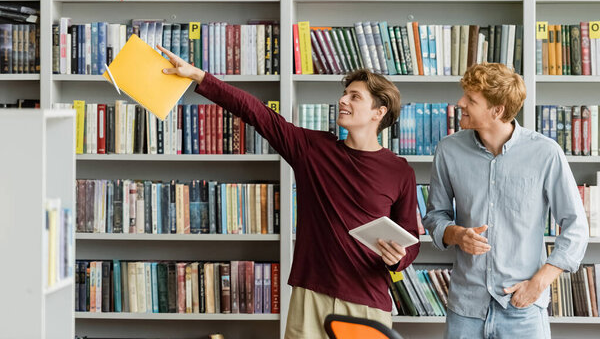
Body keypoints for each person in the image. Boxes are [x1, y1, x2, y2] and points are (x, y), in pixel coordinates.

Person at [157, 44, 420, 338]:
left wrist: (398, 257)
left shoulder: (400, 171)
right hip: (311, 294)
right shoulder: (313, 149)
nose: (343, 100)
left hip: (367, 301)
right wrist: (199, 76)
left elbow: (411, 240)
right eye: (344, 93)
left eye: (355, 96)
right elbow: (256, 113)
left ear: (379, 112)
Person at [422, 63, 589, 339]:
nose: (460, 103)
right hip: (466, 310)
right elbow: (435, 217)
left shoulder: (545, 153)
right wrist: (456, 234)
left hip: (522, 309)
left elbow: (576, 226)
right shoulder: (448, 150)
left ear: (497, 110)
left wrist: (539, 283)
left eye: (471, 100)